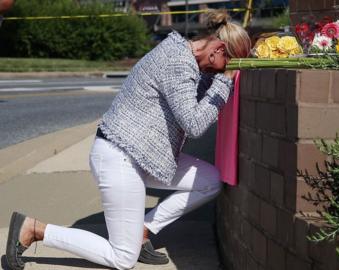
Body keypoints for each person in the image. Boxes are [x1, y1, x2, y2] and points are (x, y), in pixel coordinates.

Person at [5, 9, 251, 270]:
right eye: (225, 65)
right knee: (123, 258)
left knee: (209, 180)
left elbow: (194, 96)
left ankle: (143, 230)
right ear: (219, 49)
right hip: (120, 157)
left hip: (145, 157)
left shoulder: (184, 56)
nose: (217, 72)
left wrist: (218, 82)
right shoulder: (178, 63)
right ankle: (35, 229)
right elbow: (194, 122)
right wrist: (224, 83)